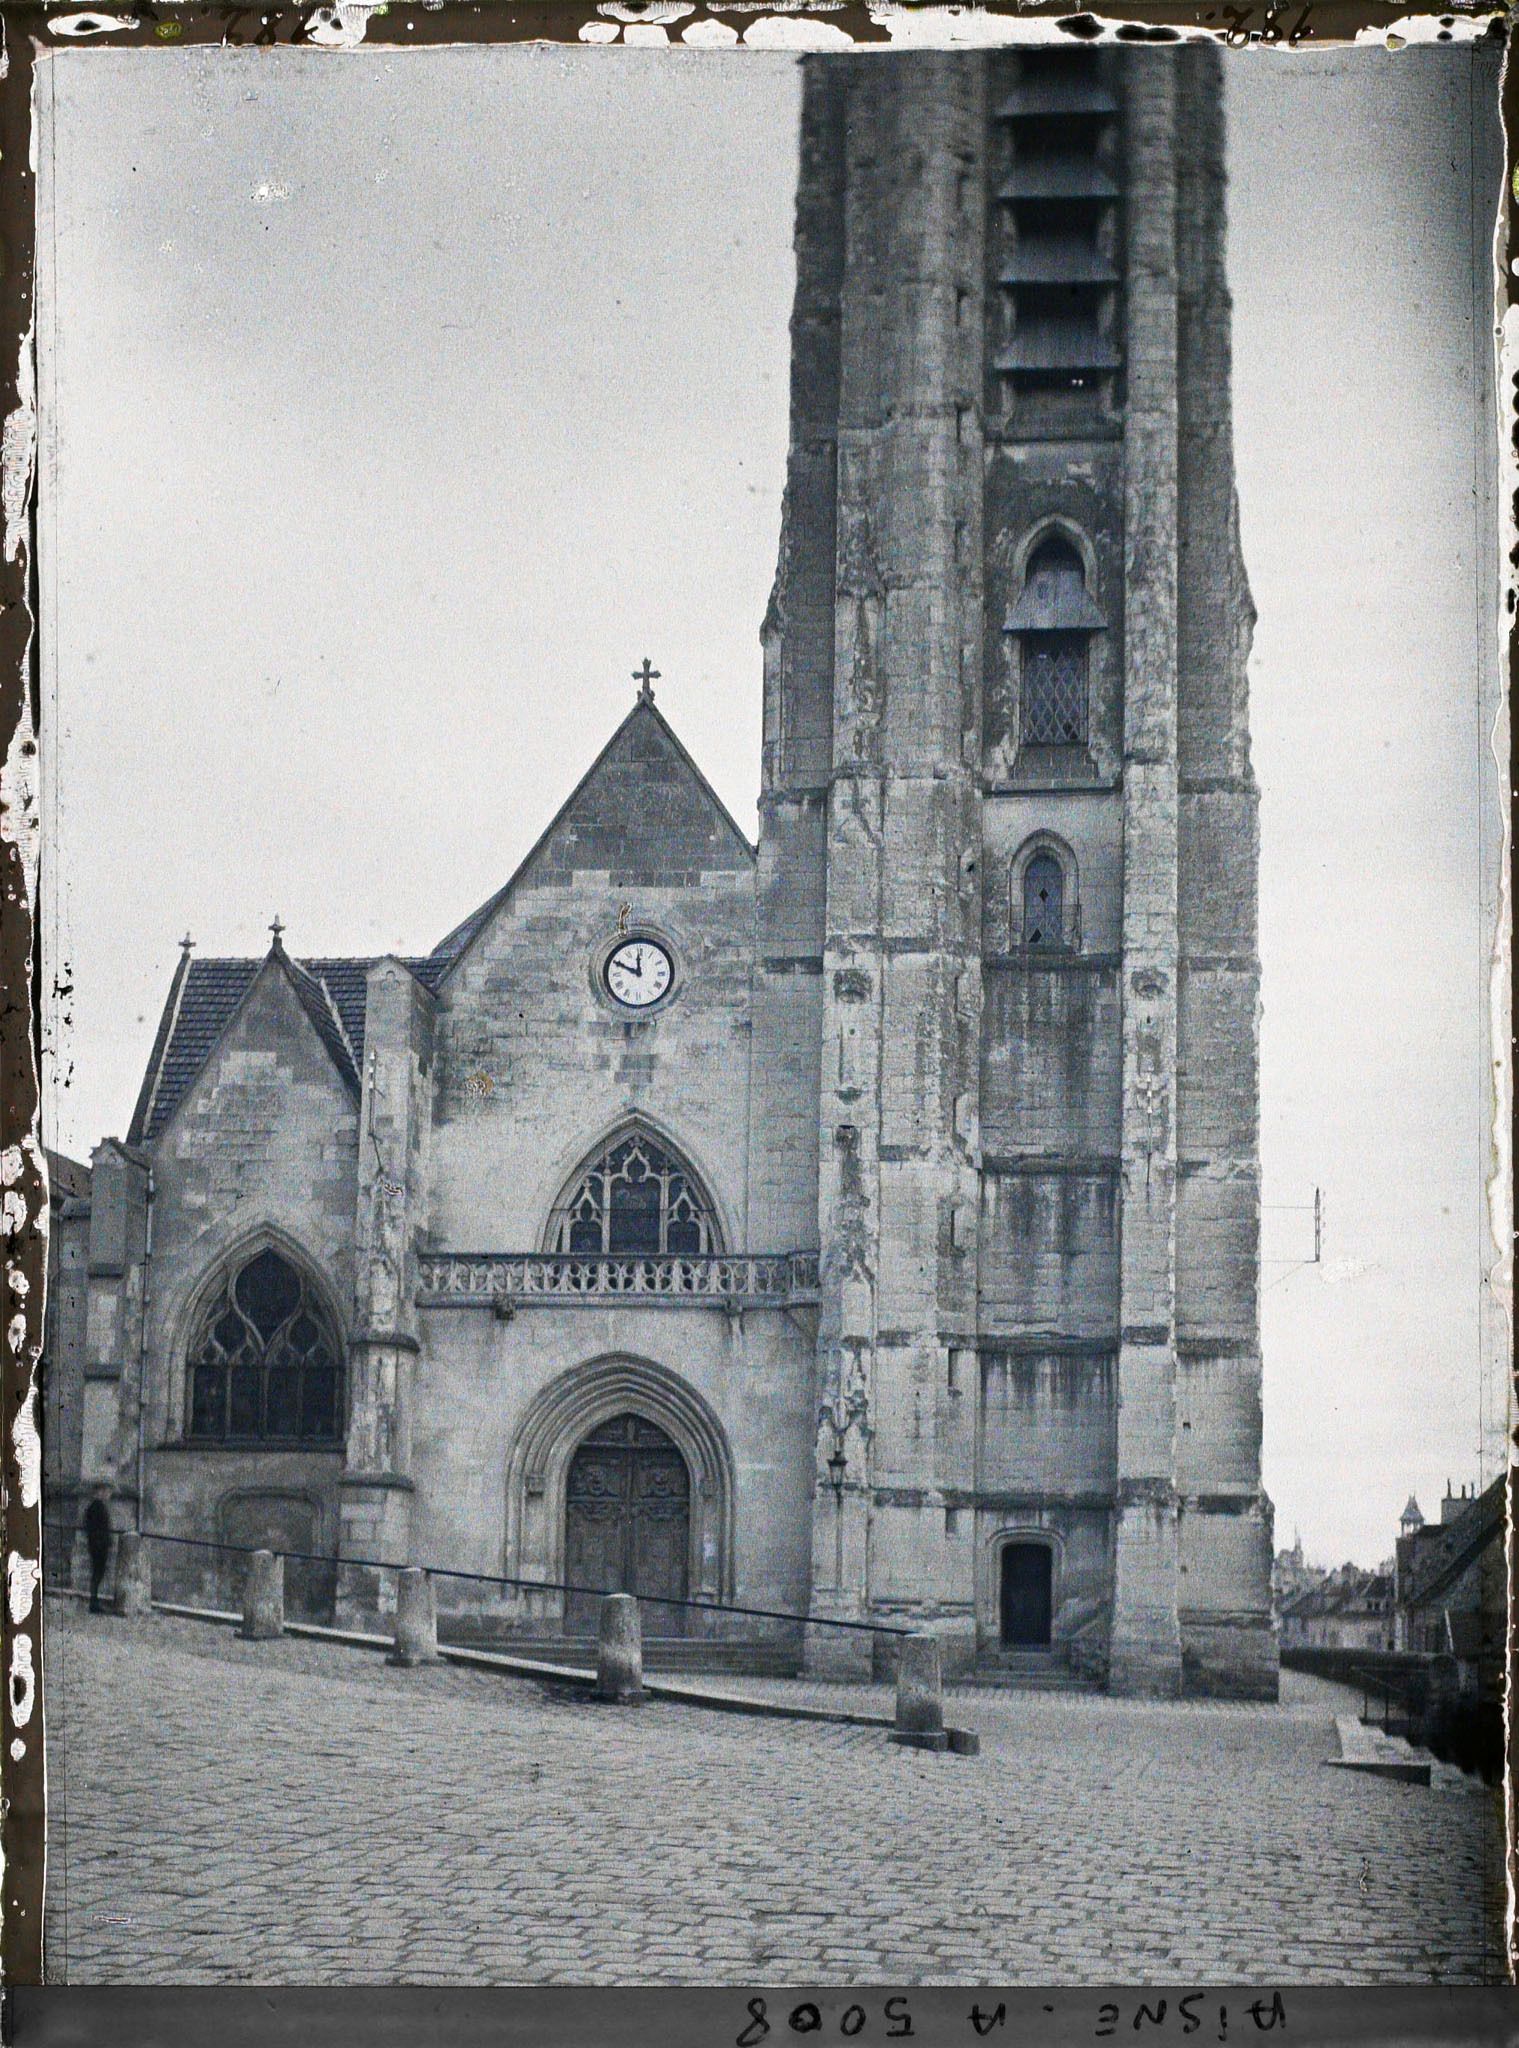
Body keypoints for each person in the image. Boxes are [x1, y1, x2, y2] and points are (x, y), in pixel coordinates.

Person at [82, 1495, 112, 1613]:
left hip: (96, 1544)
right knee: (97, 1573)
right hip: (99, 1546)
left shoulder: (94, 1507)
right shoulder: (97, 1507)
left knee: (97, 1574)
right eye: (106, 1491)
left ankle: (94, 1601)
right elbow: (98, 1528)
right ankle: (93, 1603)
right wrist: (102, 1541)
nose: (108, 1495)